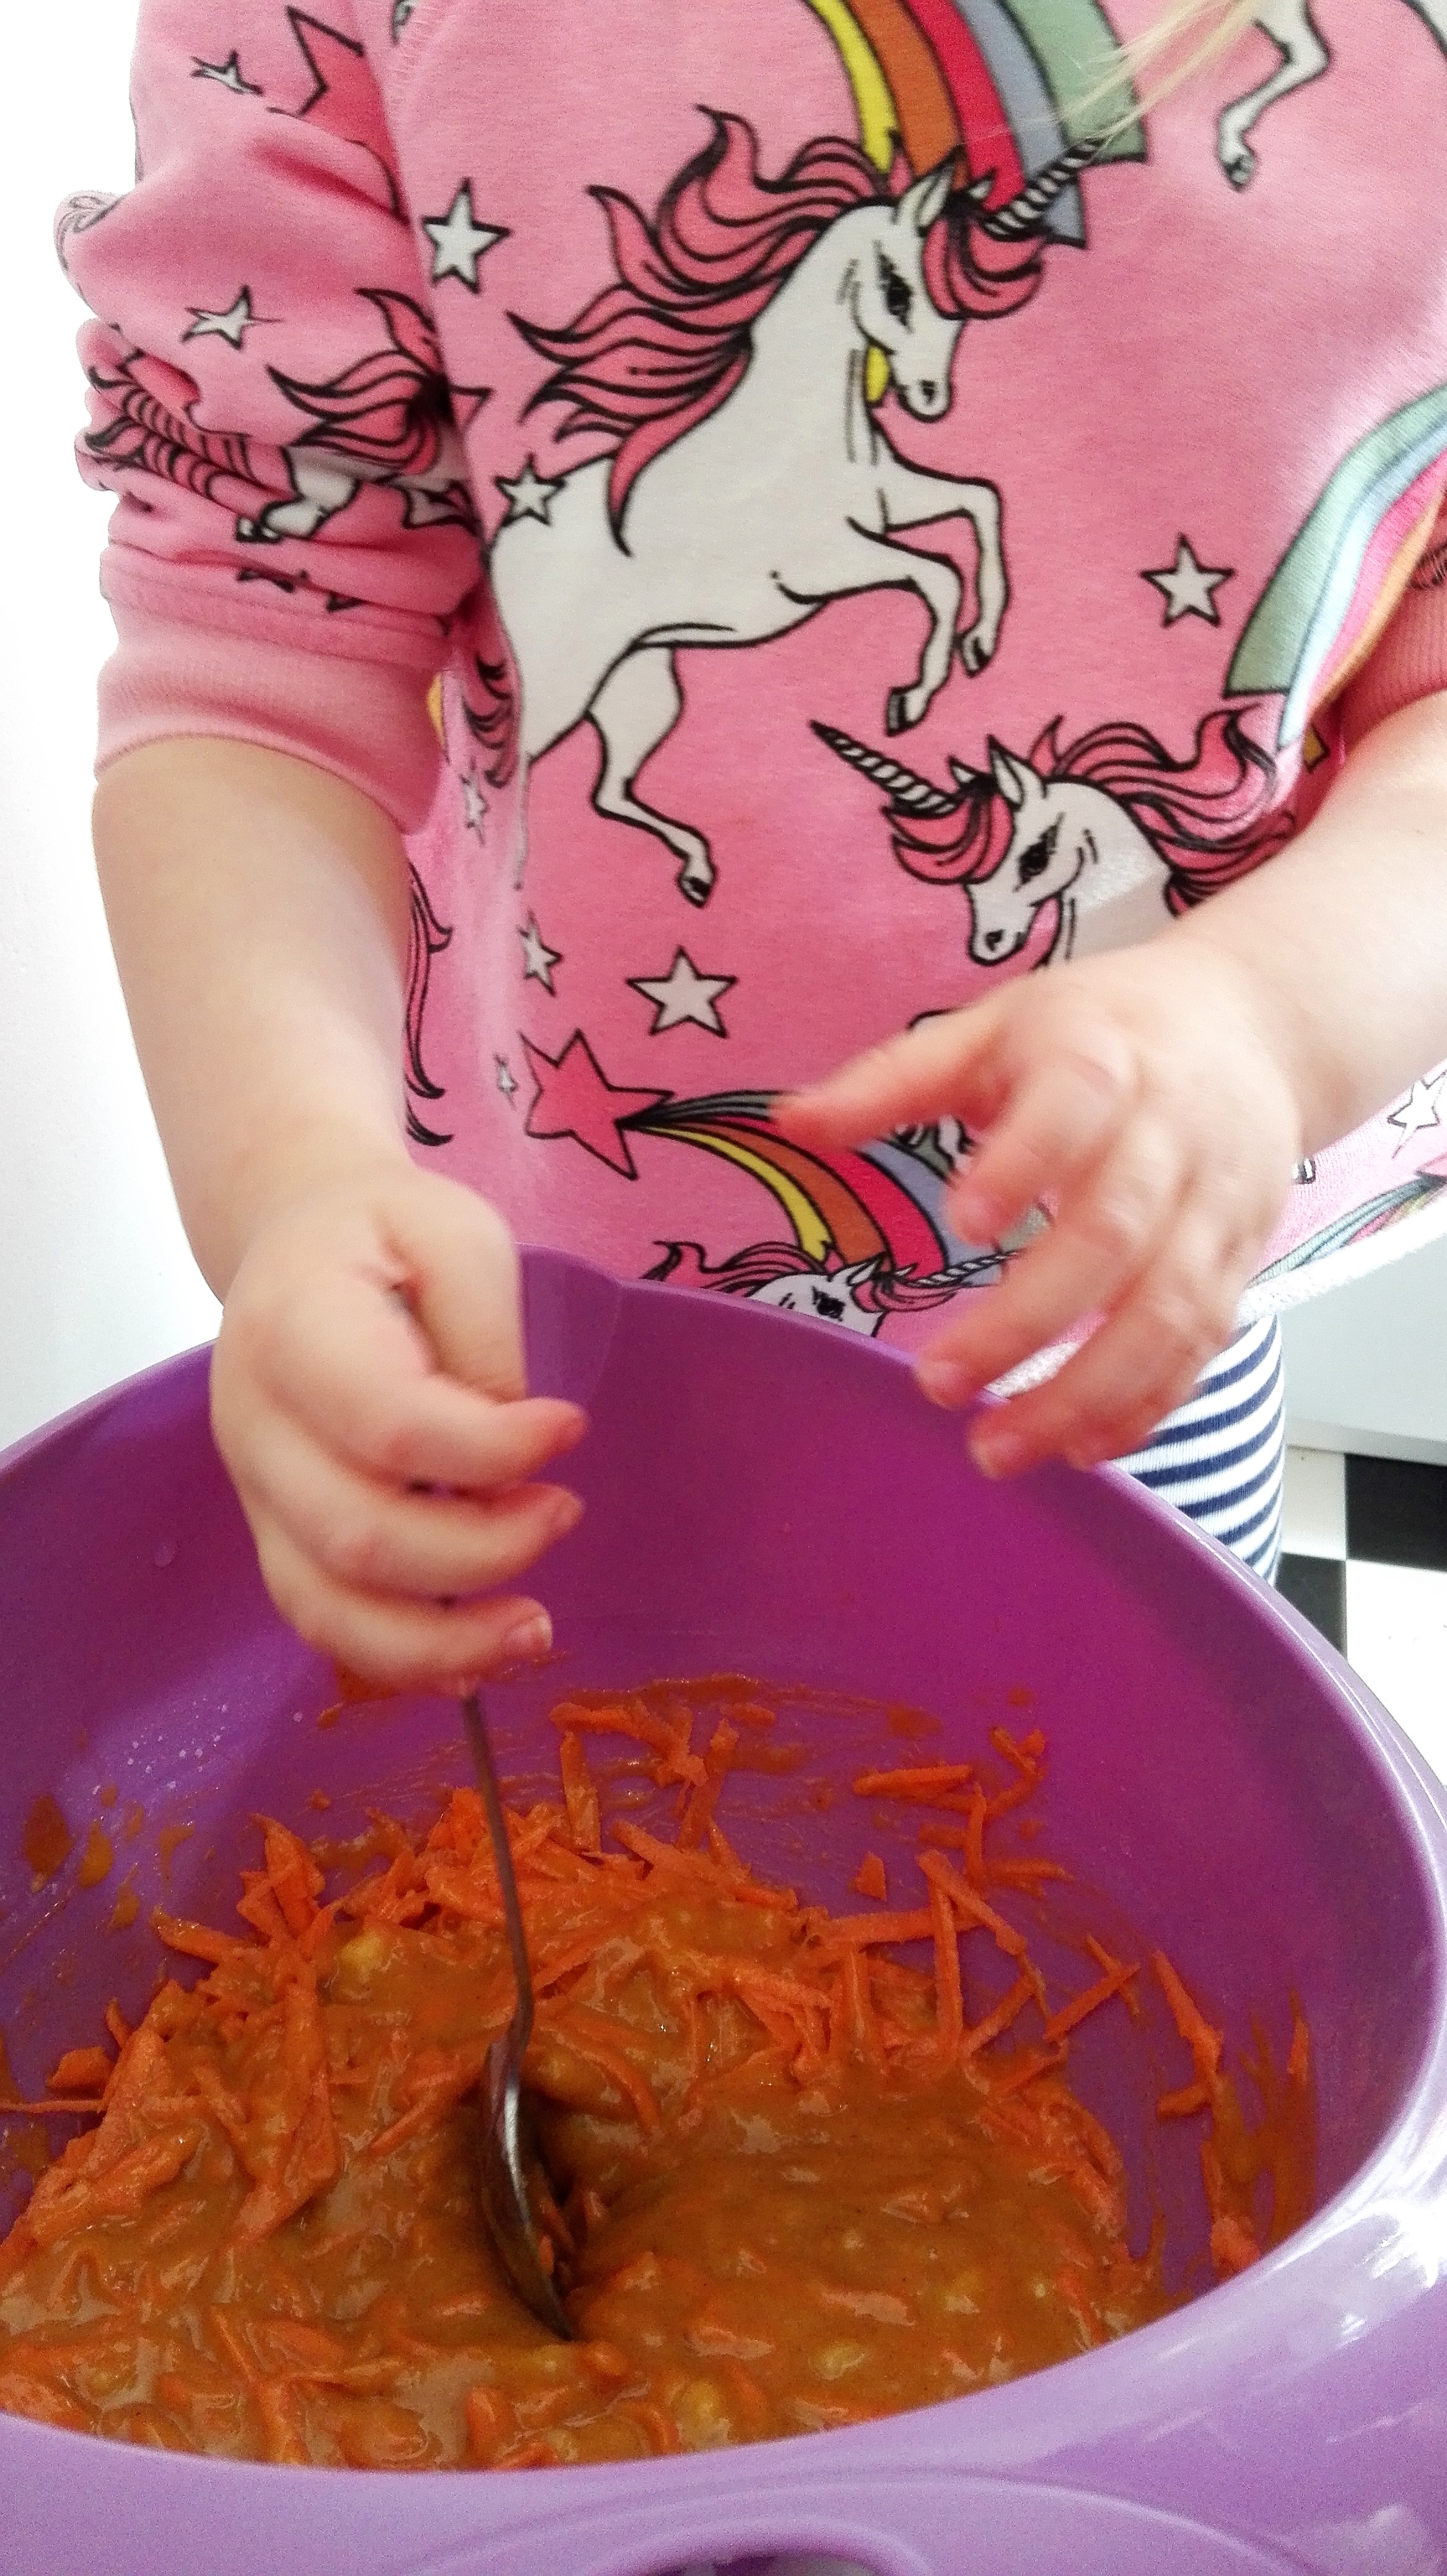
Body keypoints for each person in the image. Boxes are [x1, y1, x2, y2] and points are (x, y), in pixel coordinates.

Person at [59, 0, 1447, 1689]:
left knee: (1140, 1765)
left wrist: (1269, 1019)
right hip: (539, 1297)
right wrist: (284, 1188)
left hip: (1135, 1304)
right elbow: (257, 651)